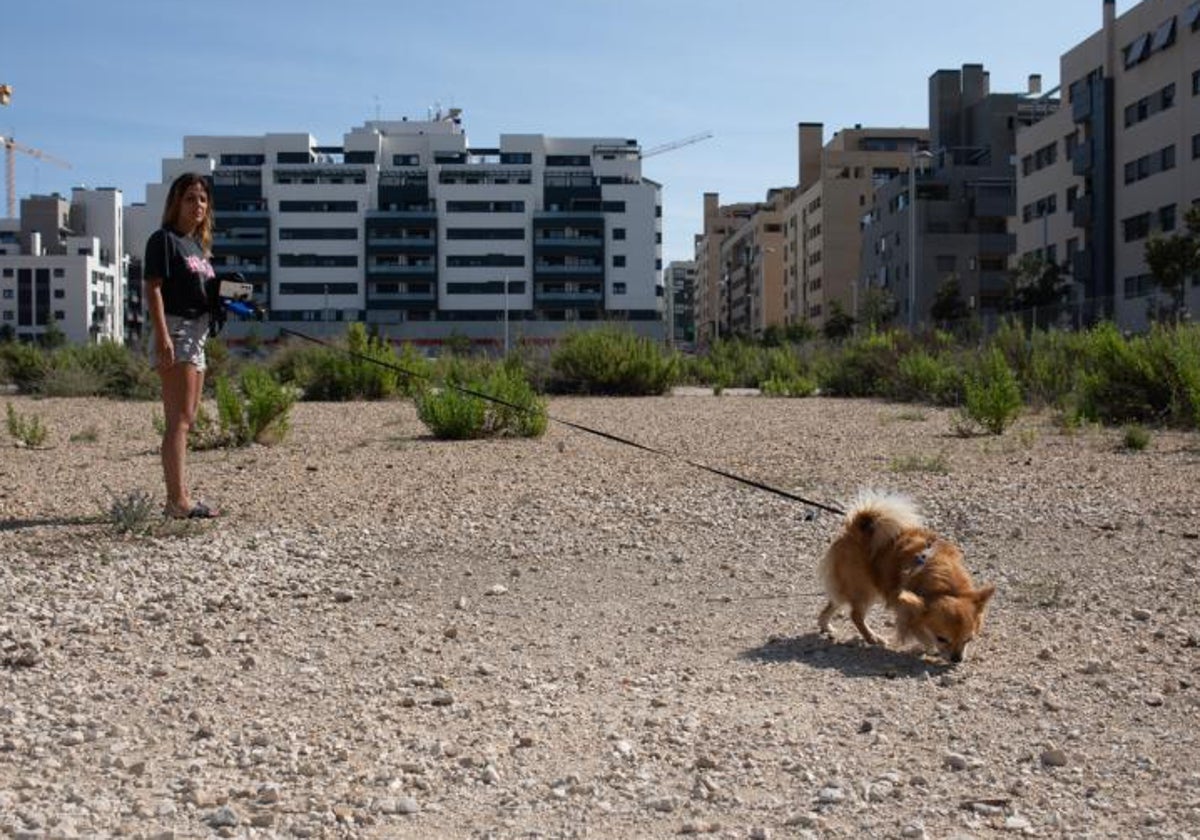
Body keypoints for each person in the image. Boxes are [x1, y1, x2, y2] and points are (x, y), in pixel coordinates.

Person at [144, 173, 219, 519]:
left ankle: (181, 495)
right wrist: (162, 336)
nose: (198, 205)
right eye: (190, 198)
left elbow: (203, 293)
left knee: (187, 418)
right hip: (177, 330)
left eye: (202, 199)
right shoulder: (164, 240)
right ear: (176, 202)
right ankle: (177, 502)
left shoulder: (197, 247)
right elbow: (154, 288)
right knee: (178, 421)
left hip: (199, 332)